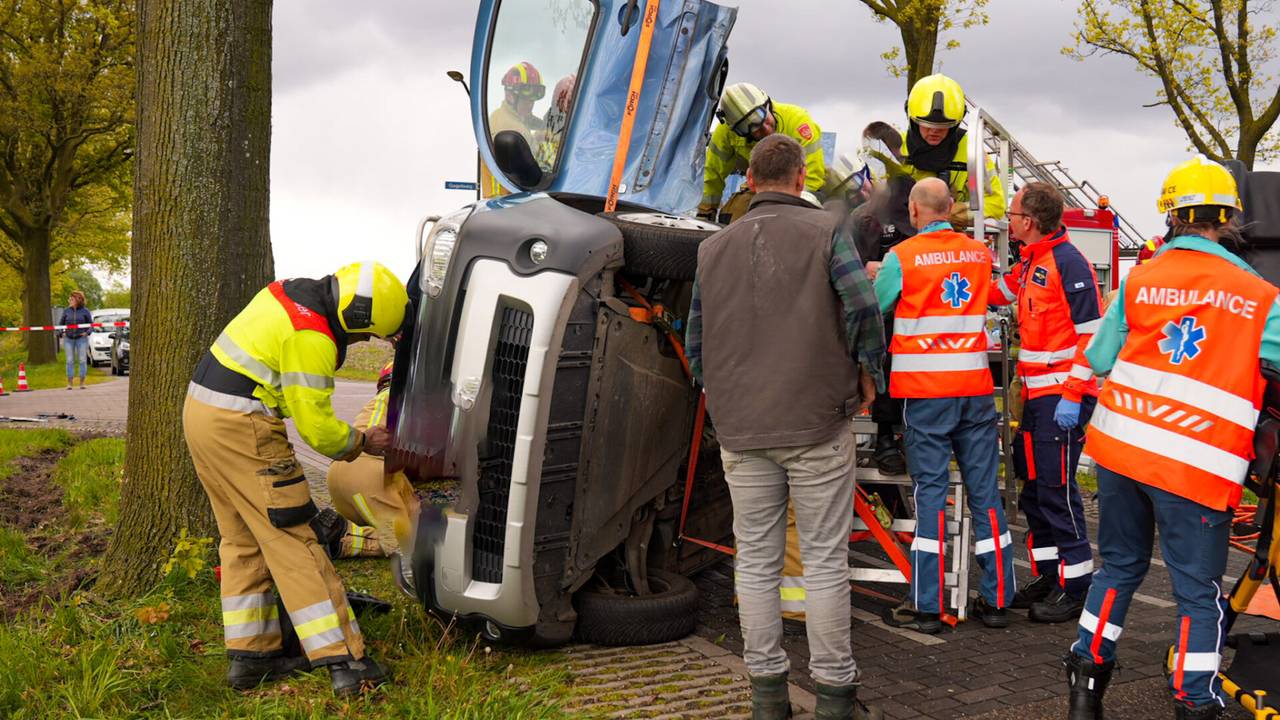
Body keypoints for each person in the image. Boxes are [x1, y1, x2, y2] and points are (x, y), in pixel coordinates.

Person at [1065, 156, 1280, 720]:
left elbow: (1101, 357)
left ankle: (1085, 687)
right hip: (1195, 465)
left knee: (1117, 570)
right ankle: (1194, 702)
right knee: (1197, 592)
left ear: (1170, 216)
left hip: (1121, 452)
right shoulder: (1260, 295)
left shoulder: (1140, 278)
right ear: (1230, 218)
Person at [685, 133, 884, 720]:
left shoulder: (711, 248)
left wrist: (720, 394)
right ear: (801, 179)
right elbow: (863, 306)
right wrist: (867, 372)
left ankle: (767, 696)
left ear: (749, 180)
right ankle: (835, 699)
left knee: (754, 560)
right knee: (823, 561)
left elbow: (696, 339)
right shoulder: (827, 232)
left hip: (741, 428)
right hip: (817, 421)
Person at [183, 261, 409, 696]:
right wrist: (364, 441)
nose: (362, 342)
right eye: (366, 334)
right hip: (243, 425)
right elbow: (319, 432)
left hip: (201, 415)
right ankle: (346, 661)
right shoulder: (313, 336)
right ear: (357, 317)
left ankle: (253, 656)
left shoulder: (289, 291)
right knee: (294, 539)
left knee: (242, 539)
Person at [873, 178, 1016, 633]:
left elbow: (875, 307)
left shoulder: (903, 257)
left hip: (926, 395)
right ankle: (998, 599)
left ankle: (927, 605)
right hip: (974, 390)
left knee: (931, 494)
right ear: (951, 207)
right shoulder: (979, 254)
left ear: (914, 211)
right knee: (985, 494)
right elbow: (999, 295)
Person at [989, 182, 1101, 623]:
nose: (1009, 220)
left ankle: (1077, 588)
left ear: (1029, 221)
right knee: (1034, 491)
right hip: (1037, 396)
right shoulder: (1031, 260)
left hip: (1061, 397)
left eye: (1012, 214)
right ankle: (1051, 575)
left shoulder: (1068, 262)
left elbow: (1091, 335)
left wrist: (1073, 395)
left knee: (1057, 491)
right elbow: (998, 293)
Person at [326, 361, 421, 555]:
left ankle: (346, 530)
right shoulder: (405, 398)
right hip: (371, 474)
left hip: (338, 473)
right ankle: (343, 538)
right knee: (414, 542)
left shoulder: (377, 403)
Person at [698, 82, 826, 222]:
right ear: (738, 131)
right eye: (753, 128)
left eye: (763, 117)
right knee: (733, 214)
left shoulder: (798, 121)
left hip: (798, 188)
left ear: (768, 104)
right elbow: (712, 175)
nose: (765, 129)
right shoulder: (725, 134)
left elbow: (812, 176)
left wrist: (791, 211)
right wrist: (705, 213)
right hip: (761, 185)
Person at [898, 74, 1005, 226]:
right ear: (914, 122)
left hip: (952, 233)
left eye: (943, 126)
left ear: (955, 125)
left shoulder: (971, 150)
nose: (934, 131)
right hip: (903, 233)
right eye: (927, 125)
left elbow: (995, 204)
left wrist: (951, 213)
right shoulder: (897, 148)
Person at [481, 61, 547, 198]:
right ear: (510, 95)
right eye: (526, 100)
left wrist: (544, 127)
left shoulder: (499, 115)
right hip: (511, 200)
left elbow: (529, 120)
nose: (530, 105)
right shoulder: (515, 129)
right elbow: (538, 169)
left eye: (533, 100)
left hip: (499, 199)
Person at [60, 291, 93, 390]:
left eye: (72, 299)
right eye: (70, 299)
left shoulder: (85, 311)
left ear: (78, 300)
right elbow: (60, 324)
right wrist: (62, 332)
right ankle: (70, 383)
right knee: (69, 360)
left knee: (82, 360)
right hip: (68, 339)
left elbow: (91, 325)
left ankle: (82, 383)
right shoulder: (66, 311)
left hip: (81, 339)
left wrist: (87, 333)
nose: (70, 300)